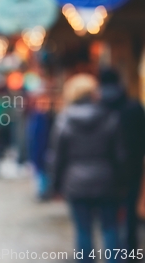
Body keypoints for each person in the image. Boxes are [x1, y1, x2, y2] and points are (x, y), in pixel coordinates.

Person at [49, 73, 126, 263]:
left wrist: (55, 185)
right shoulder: (109, 116)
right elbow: (119, 154)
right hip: (106, 181)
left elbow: (57, 157)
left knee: (83, 231)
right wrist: (122, 181)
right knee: (110, 229)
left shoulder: (64, 120)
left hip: (76, 183)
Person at [98, 67, 145, 261]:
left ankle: (114, 254)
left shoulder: (98, 107)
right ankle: (131, 250)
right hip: (132, 167)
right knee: (130, 213)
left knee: (109, 217)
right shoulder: (133, 107)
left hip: (105, 170)